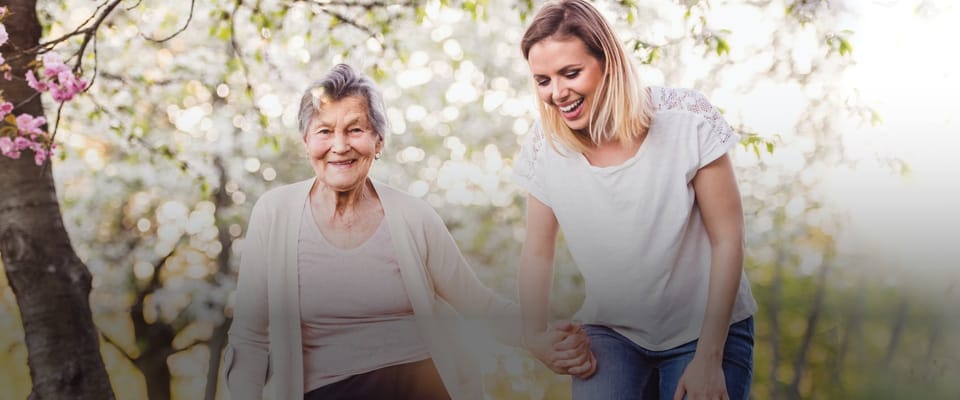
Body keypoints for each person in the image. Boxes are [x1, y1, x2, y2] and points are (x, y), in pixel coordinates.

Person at [224, 64, 526, 400]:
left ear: (378, 141)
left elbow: (478, 303)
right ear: (306, 141)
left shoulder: (414, 217)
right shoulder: (274, 213)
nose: (340, 146)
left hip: (422, 386)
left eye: (355, 130)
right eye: (325, 131)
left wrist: (544, 336)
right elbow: (250, 337)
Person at [513, 1, 759, 399]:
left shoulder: (687, 119)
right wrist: (533, 336)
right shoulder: (544, 147)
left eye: (570, 73)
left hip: (707, 329)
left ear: (607, 61)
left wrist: (709, 360)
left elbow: (728, 239)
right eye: (543, 80)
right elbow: (538, 251)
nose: (557, 93)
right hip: (613, 331)